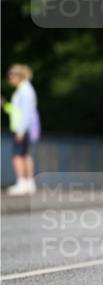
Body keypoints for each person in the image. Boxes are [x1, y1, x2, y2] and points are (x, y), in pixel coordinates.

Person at [3, 64, 39, 195]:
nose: (10, 79)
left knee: (17, 155)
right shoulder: (23, 90)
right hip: (24, 128)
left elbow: (27, 112)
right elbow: (16, 110)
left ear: (19, 76)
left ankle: (22, 183)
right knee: (25, 155)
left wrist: (21, 130)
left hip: (22, 128)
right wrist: (5, 105)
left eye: (11, 76)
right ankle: (28, 183)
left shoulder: (25, 91)